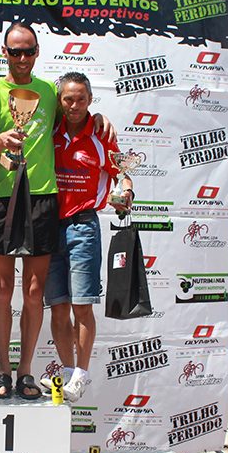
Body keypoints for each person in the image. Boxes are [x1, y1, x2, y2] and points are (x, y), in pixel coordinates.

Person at [0, 22, 116, 400]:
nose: (22, 58)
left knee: (35, 293)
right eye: (15, 51)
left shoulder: (50, 93)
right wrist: (2, 140)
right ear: (4, 53)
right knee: (2, 290)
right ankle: (2, 372)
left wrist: (99, 120)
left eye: (29, 51)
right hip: (2, 198)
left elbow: (76, 117)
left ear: (37, 52)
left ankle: (25, 373)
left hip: (43, 199)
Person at [44, 72, 134, 402]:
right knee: (57, 307)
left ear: (90, 100)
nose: (74, 105)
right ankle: (67, 373)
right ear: (59, 101)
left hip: (84, 227)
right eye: (68, 99)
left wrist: (127, 191)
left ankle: (81, 374)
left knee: (81, 307)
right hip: (49, 227)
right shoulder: (48, 131)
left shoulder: (100, 135)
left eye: (81, 99)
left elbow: (121, 170)